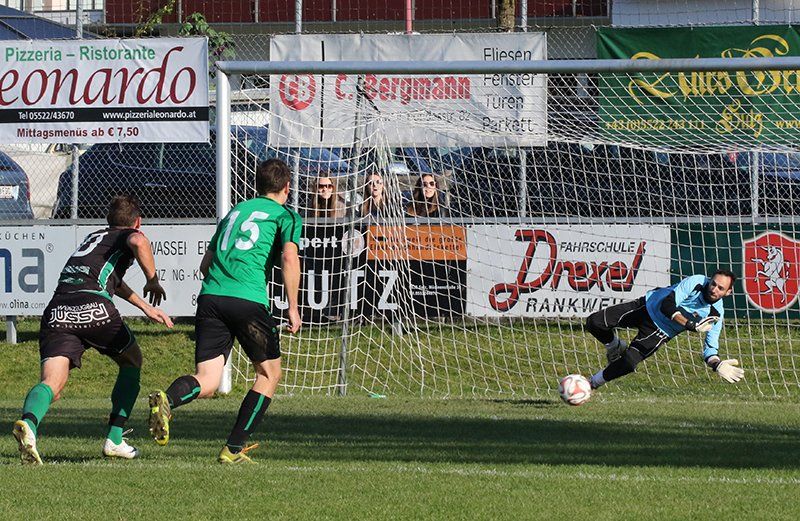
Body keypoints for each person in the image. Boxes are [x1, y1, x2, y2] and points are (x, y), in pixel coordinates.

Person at [148, 158, 302, 464]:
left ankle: (169, 399)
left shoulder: (234, 212)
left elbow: (205, 265)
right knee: (269, 374)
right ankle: (233, 448)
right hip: (248, 299)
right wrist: (293, 308)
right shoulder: (286, 216)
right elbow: (289, 258)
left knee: (207, 380)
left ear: (258, 185)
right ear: (287, 187)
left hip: (211, 298)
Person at [12, 195, 173, 465]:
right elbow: (139, 242)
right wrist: (152, 280)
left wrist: (145, 307)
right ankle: (115, 439)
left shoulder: (95, 238)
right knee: (132, 360)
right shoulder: (129, 235)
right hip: (93, 307)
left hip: (58, 309)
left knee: (52, 384)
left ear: (109, 220)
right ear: (137, 221)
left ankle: (28, 424)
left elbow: (113, 281)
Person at [584, 269, 744, 390]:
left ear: (728, 292)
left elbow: (710, 349)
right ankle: (615, 346)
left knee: (629, 362)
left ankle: (591, 383)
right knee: (594, 322)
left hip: (661, 331)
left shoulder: (715, 314)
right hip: (647, 306)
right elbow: (667, 305)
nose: (714, 289)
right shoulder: (697, 281)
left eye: (720, 288)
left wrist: (717, 364)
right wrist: (689, 324)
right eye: (713, 283)